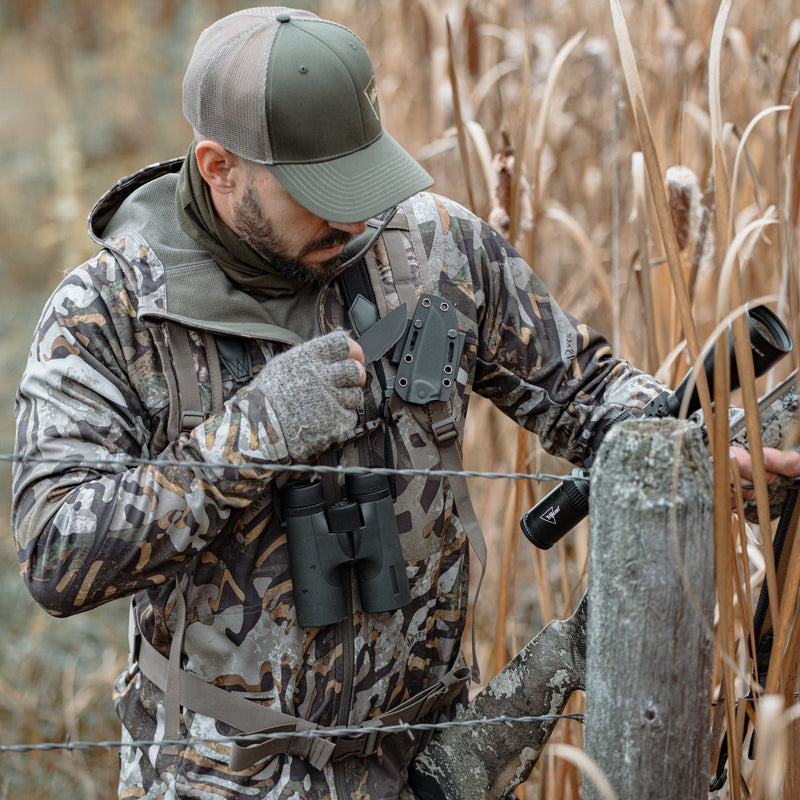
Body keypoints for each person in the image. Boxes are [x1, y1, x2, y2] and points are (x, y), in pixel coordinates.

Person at [10, 7, 795, 799]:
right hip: (223, 776)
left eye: (363, 179)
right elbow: (55, 557)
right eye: (320, 193)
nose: (354, 216)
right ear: (220, 167)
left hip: (439, 765)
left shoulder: (438, 250)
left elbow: (585, 393)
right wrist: (256, 433)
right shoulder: (108, 313)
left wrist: (699, 444)